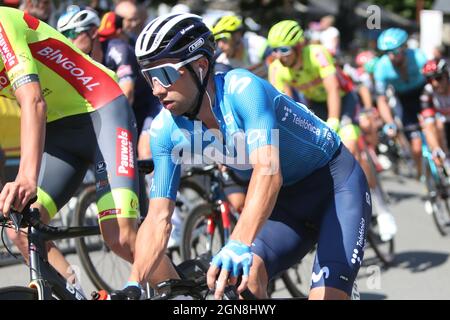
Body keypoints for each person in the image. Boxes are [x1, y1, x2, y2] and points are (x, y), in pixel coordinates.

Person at [110, 12, 371, 300]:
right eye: (149, 78)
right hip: (284, 207)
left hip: (335, 187)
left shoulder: (242, 90)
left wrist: (237, 242)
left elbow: (268, 172)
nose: (157, 89)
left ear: (200, 66)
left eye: (165, 75)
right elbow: (158, 217)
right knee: (242, 283)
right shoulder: (164, 129)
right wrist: (133, 284)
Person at [0, 6, 140, 289]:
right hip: (60, 132)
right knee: (21, 229)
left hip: (101, 108)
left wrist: (26, 177)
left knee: (119, 236)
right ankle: (74, 292)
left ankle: (185, 298)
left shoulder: (1, 23)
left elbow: (33, 100)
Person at [267, 20, 360, 157]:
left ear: (298, 47)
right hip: (316, 103)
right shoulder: (275, 68)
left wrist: (333, 119)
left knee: (349, 145)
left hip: (343, 98)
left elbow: (332, 89)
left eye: (284, 49)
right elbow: (286, 104)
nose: (279, 56)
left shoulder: (317, 54)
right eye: (274, 50)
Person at [374, 28, 428, 178]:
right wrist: (389, 122)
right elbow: (381, 99)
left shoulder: (419, 57)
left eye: (395, 52)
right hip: (404, 100)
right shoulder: (381, 67)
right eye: (387, 53)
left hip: (423, 93)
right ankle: (423, 177)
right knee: (416, 147)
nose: (391, 56)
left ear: (404, 48)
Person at [420, 59, 450, 163]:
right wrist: (436, 148)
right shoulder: (428, 91)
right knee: (437, 123)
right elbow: (429, 125)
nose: (435, 83)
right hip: (442, 125)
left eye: (438, 78)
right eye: (429, 79)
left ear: (447, 75)